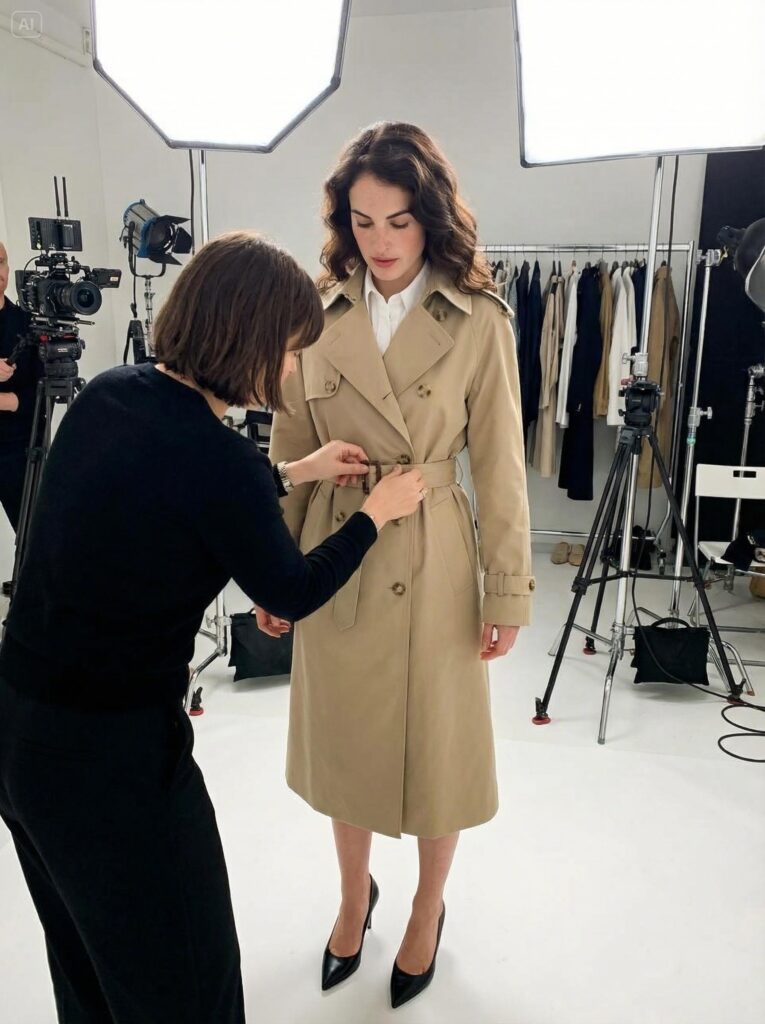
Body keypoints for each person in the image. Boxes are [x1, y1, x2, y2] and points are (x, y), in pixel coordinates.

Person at [0, 230, 425, 1024]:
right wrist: (373, 513)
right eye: (292, 351)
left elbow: (174, 489)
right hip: (114, 765)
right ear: (254, 340)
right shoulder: (216, 461)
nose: (295, 371)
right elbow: (289, 591)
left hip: (19, 742)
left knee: (90, 971)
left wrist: (294, 473)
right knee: (185, 992)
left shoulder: (109, 395)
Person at [267, 122, 535, 1009]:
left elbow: (498, 461)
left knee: (439, 753)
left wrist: (505, 589)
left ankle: (426, 907)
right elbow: (293, 445)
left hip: (432, 552)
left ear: (431, 220)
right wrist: (275, 572)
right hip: (337, 545)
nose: (380, 243)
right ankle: (353, 899)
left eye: (399, 222)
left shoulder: (477, 317)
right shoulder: (316, 311)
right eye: (363, 221)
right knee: (344, 741)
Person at [0, 241, 41, 540]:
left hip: (17, 449)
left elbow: (43, 392)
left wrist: (9, 401)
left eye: (0, 262)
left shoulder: (27, 324)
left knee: (33, 537)